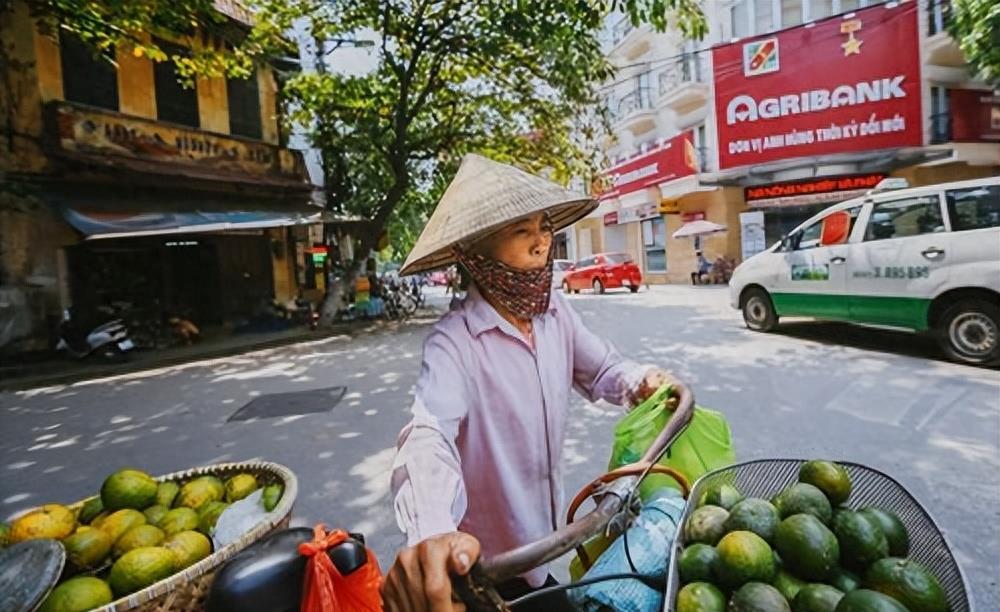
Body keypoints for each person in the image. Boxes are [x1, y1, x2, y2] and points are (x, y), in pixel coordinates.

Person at [382, 154, 674, 611]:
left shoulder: (556, 311)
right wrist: (432, 533)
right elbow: (428, 435)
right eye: (522, 231)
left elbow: (601, 369)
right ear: (476, 252)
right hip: (485, 567)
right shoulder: (454, 342)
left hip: (545, 543)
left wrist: (640, 380)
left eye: (543, 226)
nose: (542, 242)